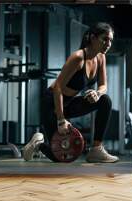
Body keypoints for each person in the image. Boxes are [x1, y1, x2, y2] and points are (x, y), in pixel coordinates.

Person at [23, 22, 119, 163]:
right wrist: (61, 120)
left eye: (110, 40)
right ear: (92, 38)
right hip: (52, 104)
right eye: (105, 39)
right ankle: (39, 144)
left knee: (105, 100)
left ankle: (96, 150)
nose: (108, 43)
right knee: (61, 156)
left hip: (69, 103)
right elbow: (58, 88)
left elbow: (103, 85)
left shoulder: (100, 57)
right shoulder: (78, 57)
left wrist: (97, 93)